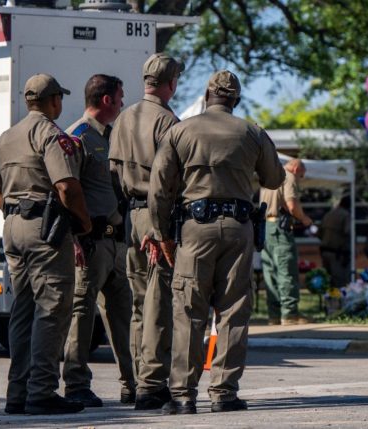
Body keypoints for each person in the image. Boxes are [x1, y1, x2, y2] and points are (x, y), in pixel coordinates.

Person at [146, 70, 284, 414]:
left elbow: (159, 189)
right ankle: (224, 393)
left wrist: (162, 234)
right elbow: (275, 177)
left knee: (189, 310)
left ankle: (182, 395)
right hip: (239, 228)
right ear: (235, 100)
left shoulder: (180, 131)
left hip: (194, 228)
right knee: (234, 311)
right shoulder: (252, 132)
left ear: (207, 97)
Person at [0, 73, 91, 415]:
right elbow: (66, 186)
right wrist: (84, 223)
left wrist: (16, 212)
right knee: (53, 307)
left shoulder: (7, 136)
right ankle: (42, 391)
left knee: (24, 308)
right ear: (53, 101)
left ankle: (17, 392)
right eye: (60, 98)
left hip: (13, 226)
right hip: (44, 230)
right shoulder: (49, 133)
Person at [108, 53, 182, 410]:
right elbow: (169, 180)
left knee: (139, 302)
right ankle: (152, 384)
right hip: (156, 218)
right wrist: (160, 227)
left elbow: (112, 173)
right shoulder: (166, 121)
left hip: (130, 216)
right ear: (171, 83)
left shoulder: (124, 117)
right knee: (158, 302)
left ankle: (138, 380)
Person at [62, 74, 136, 407]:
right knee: (82, 314)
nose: (122, 102)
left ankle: (133, 383)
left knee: (124, 315)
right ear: (106, 100)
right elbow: (64, 189)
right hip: (90, 243)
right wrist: (74, 237)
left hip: (116, 242)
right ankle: (76, 384)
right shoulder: (77, 137)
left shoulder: (111, 137)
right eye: (119, 97)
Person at [260, 158, 314, 325]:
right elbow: (291, 205)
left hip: (266, 227)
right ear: (296, 168)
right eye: (302, 175)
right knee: (286, 270)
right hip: (280, 229)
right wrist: (305, 219)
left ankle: (274, 315)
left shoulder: (270, 176)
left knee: (270, 273)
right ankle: (289, 314)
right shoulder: (288, 176)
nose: (300, 179)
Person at [319, 195, 352, 289]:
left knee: (328, 280)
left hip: (325, 251)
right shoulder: (346, 215)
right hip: (337, 253)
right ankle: (338, 302)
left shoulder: (329, 214)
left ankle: (329, 301)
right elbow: (347, 232)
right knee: (340, 282)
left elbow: (319, 233)